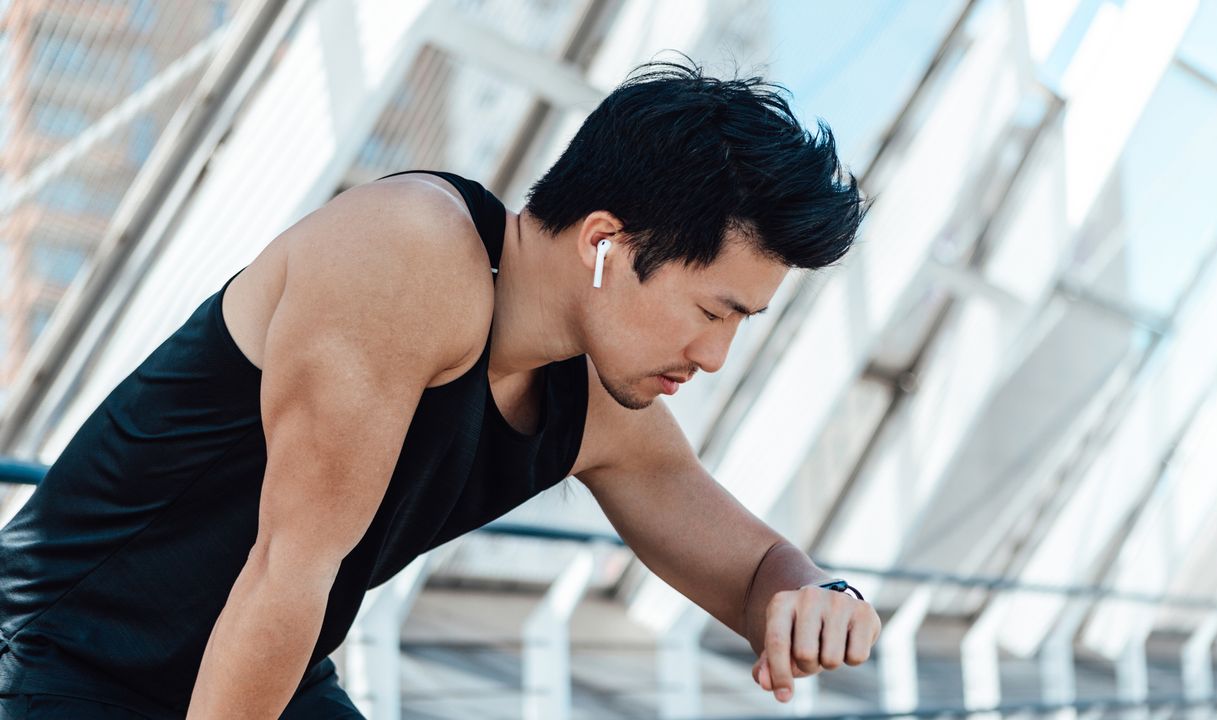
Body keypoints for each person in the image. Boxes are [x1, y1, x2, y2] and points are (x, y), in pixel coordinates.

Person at [0, 57, 878, 718]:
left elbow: (757, 568)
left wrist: (822, 601)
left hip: (271, 669)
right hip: (57, 657)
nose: (715, 355)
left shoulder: (600, 405)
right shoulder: (408, 254)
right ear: (604, 243)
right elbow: (284, 573)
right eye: (711, 310)